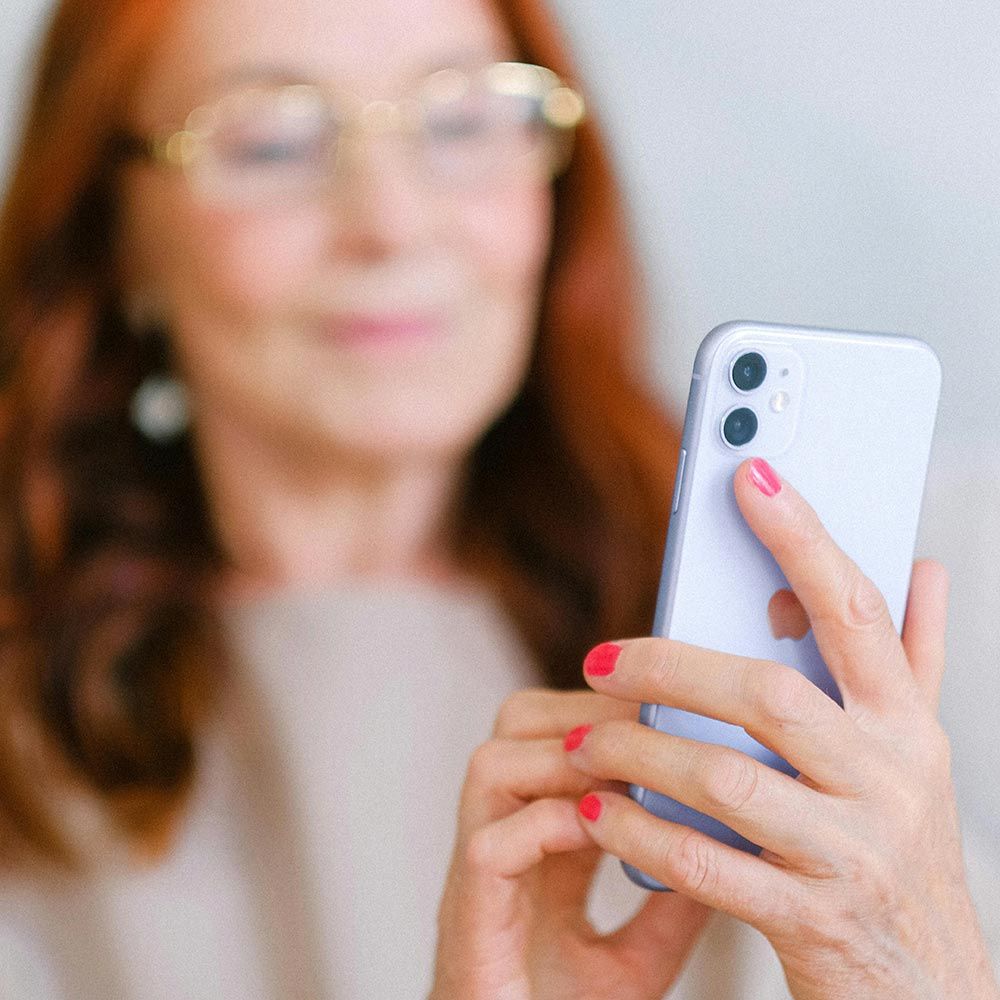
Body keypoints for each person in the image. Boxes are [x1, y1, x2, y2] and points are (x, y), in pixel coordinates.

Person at [0, 0, 996, 998]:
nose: (391, 223)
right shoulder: (25, 761)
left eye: (465, 120)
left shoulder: (891, 639)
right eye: (270, 142)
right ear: (113, 233)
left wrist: (918, 966)